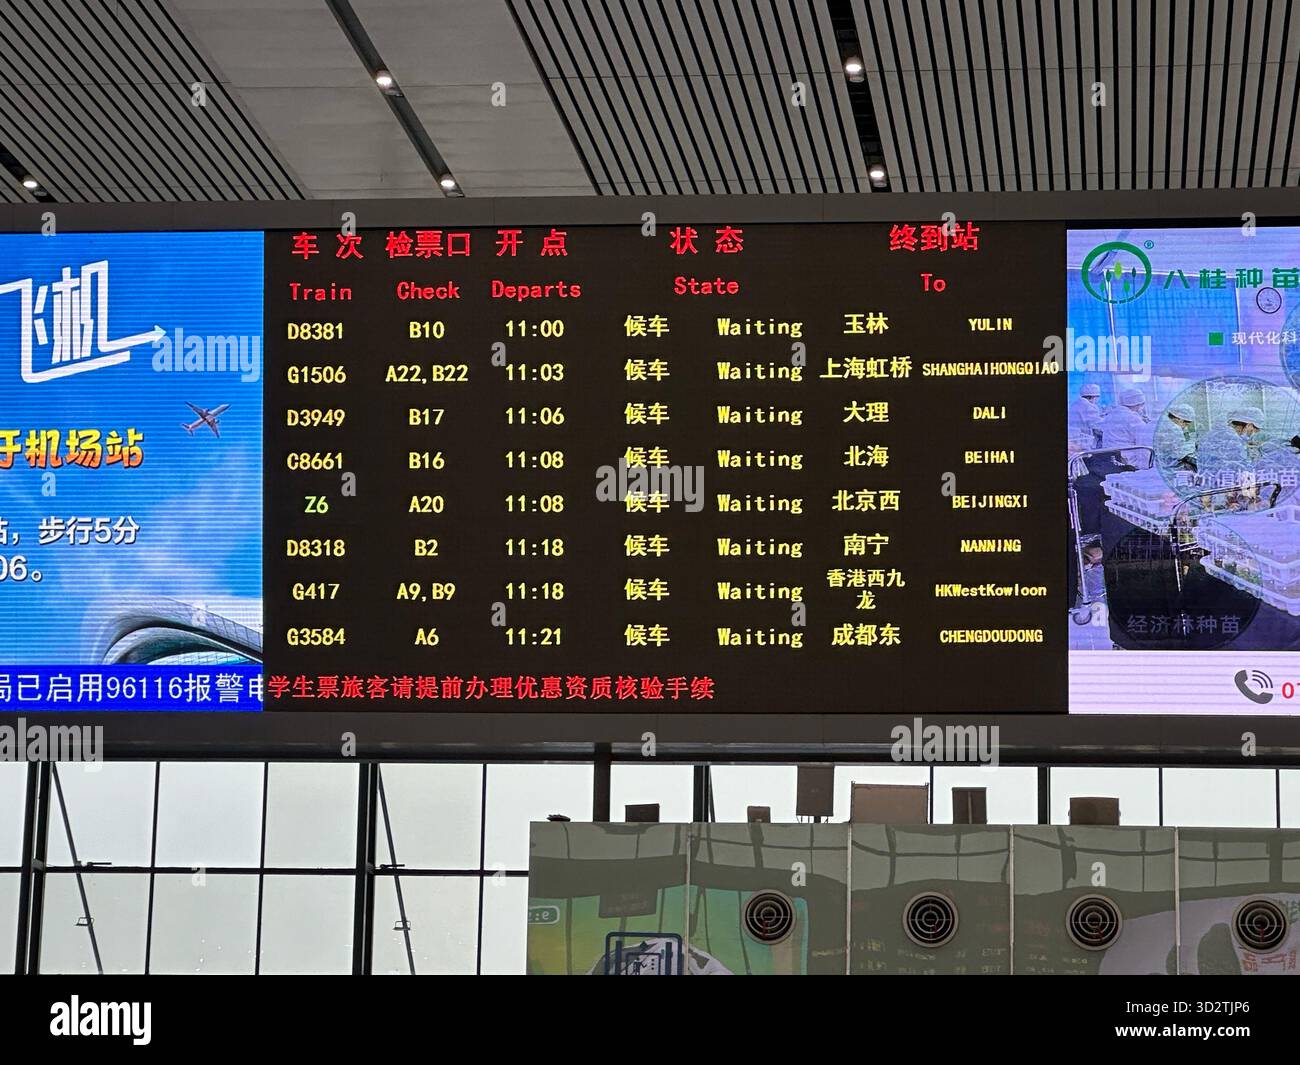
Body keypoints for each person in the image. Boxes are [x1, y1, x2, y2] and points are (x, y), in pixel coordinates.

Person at [1099, 387, 1154, 468]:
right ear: (1138, 404)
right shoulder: (1133, 418)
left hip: (1108, 458)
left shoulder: (1111, 415)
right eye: (1142, 404)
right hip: (1127, 461)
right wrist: (1146, 467)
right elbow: (1143, 444)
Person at [1156, 402, 1199, 471]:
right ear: (1179, 419)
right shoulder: (1175, 429)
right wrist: (1191, 449)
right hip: (1167, 465)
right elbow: (1178, 454)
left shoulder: (1163, 421)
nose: (1186, 427)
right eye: (1186, 424)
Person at [1068, 383, 1105, 447]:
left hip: (1074, 440)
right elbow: (1097, 426)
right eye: (1097, 397)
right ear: (1094, 396)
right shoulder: (1089, 407)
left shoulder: (1074, 404)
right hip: (1085, 442)